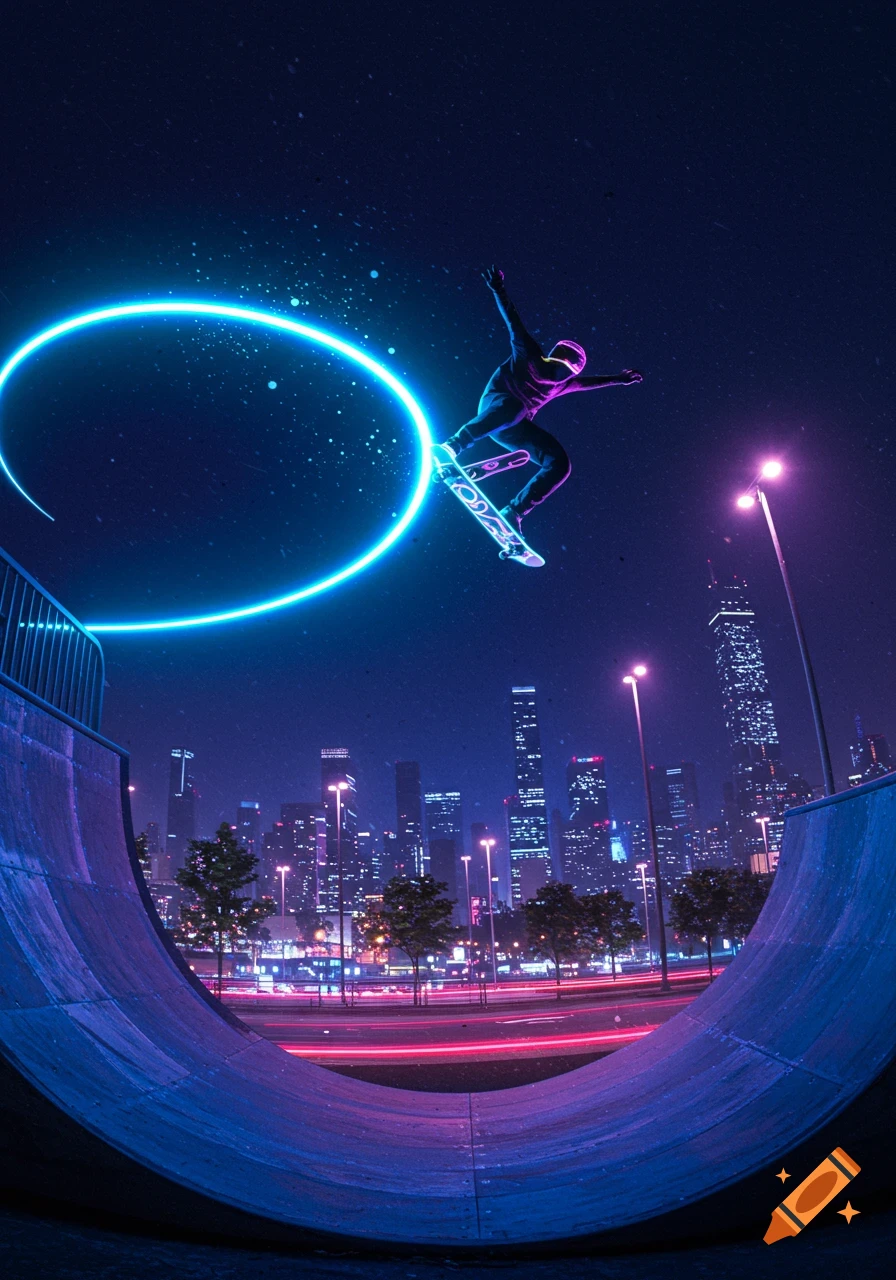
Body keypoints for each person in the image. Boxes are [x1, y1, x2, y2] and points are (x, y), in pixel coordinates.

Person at [439, 266, 643, 532]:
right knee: (515, 407)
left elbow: (591, 382)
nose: (557, 379)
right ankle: (455, 445)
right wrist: (498, 288)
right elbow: (514, 322)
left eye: (565, 375)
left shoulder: (566, 383)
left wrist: (620, 378)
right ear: (550, 359)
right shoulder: (528, 354)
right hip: (494, 407)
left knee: (560, 464)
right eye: (557, 370)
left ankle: (514, 512)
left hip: (514, 428)